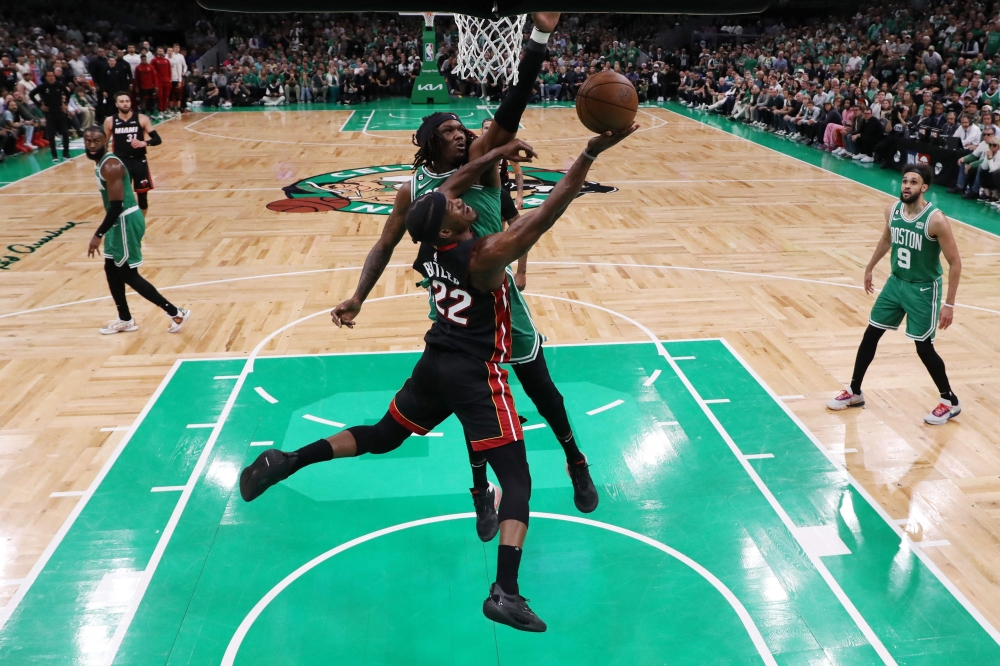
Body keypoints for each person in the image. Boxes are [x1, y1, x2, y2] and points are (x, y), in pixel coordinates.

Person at [239, 125, 636, 633]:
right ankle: (505, 593)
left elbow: (445, 189)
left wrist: (492, 153)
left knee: (382, 436)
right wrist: (588, 152)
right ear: (448, 229)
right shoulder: (484, 256)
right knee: (517, 481)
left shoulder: (431, 242)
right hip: (473, 372)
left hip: (436, 360)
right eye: (455, 207)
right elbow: (548, 211)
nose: (462, 202)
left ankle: (289, 458)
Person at [330, 14, 600, 541]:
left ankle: (575, 458)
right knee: (465, 401)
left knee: (542, 390)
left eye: (462, 130)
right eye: (449, 131)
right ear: (429, 143)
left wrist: (539, 39)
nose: (461, 135)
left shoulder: (482, 158)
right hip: (451, 301)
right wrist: (358, 296)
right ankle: (481, 492)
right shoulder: (414, 189)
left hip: (495, 295)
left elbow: (512, 107)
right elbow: (385, 243)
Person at [828, 164, 962, 425]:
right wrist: (869, 267)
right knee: (871, 334)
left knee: (923, 347)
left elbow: (955, 262)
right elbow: (887, 240)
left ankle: (950, 401)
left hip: (923, 288)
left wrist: (949, 304)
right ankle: (855, 391)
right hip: (895, 283)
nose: (907, 186)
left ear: (924, 188)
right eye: (904, 181)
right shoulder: (892, 210)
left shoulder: (936, 220)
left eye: (913, 182)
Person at [81, 126, 190, 335]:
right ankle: (125, 319)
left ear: (106, 140)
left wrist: (98, 234)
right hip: (118, 221)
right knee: (111, 268)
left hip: (124, 221)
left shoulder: (110, 165)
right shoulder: (101, 163)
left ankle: (176, 312)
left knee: (129, 274)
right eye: (88, 141)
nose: (92, 145)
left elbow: (116, 206)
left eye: (96, 140)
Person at [483, 117, 526, 288]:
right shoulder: (475, 148)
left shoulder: (505, 148)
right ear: (481, 130)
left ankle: (500, 264)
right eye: (485, 128)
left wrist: (520, 195)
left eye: (490, 128)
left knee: (500, 229)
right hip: (484, 191)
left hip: (500, 191)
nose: (488, 130)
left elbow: (517, 170)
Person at [103, 91, 161, 213]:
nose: (125, 104)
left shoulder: (141, 118)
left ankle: (140, 229)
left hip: (139, 161)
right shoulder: (110, 121)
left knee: (143, 198)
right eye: (122, 101)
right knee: (122, 198)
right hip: (120, 162)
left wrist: (144, 143)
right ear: (116, 104)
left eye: (127, 101)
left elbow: (157, 139)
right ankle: (126, 226)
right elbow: (104, 144)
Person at [29, 70, 72, 162]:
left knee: (65, 133)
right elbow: (31, 94)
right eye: (49, 76)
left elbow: (68, 93)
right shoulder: (43, 86)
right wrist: (40, 105)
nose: (51, 77)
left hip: (60, 112)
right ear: (46, 77)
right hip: (49, 113)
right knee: (51, 135)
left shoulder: (59, 85)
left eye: (52, 75)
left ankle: (66, 153)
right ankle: (54, 155)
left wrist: (66, 104)